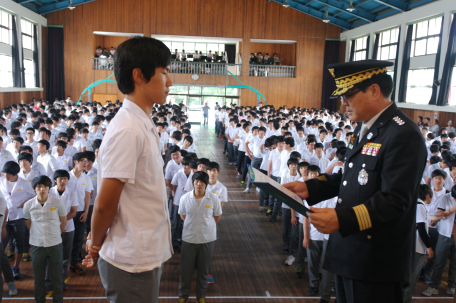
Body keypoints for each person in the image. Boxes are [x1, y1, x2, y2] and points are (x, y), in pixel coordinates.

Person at [284, 60, 427, 302]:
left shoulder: (403, 134)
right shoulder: (368, 128)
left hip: (374, 261)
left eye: (348, 95)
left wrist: (341, 218)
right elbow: (354, 178)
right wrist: (310, 187)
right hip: (350, 252)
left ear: (374, 90)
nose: (343, 103)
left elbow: (394, 200)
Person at [82, 37, 173, 303]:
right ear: (139, 75)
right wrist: (95, 244)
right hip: (130, 259)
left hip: (142, 251)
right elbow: (105, 204)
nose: (170, 82)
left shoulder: (142, 121)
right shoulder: (128, 129)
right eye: (164, 72)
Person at [178, 171, 222, 303]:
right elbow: (183, 215)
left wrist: (205, 227)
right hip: (189, 238)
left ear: (206, 184)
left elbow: (217, 217)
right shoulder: (185, 198)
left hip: (206, 239)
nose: (198, 184)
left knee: (203, 270)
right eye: (196, 181)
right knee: (185, 270)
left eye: (201, 182)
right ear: (193, 183)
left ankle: (201, 296)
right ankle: (183, 296)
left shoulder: (213, 199)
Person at [23, 175, 67, 303]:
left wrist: (55, 233)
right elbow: (28, 223)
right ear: (34, 189)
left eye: (45, 187)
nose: (42, 189)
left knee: (57, 278)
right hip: (37, 245)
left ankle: (58, 301)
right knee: (38, 279)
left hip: (55, 244)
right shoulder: (28, 205)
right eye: (39, 187)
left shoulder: (57, 202)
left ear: (49, 188)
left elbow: (63, 221)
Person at [0, 161, 36, 280]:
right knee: (2, 243)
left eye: (8, 174)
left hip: (19, 217)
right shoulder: (1, 182)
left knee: (19, 242)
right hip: (4, 217)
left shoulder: (24, 183)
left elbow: (33, 195)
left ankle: (16, 266)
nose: (5, 176)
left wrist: (24, 203)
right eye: (4, 173)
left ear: (15, 174)